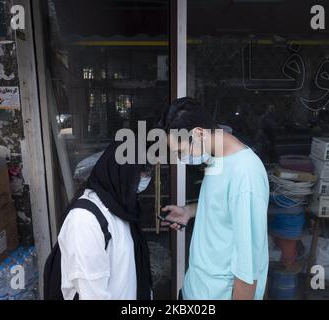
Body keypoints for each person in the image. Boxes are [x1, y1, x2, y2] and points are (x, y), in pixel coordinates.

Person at [158, 97, 269, 300]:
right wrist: (189, 211)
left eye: (181, 151)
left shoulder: (246, 174)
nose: (181, 159)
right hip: (195, 288)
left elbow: (249, 267)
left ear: (199, 133)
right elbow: (222, 205)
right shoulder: (217, 158)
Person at [57, 141, 153, 300]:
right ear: (121, 170)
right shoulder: (84, 220)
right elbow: (92, 294)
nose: (146, 178)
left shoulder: (121, 208)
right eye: (142, 170)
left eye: (149, 171)